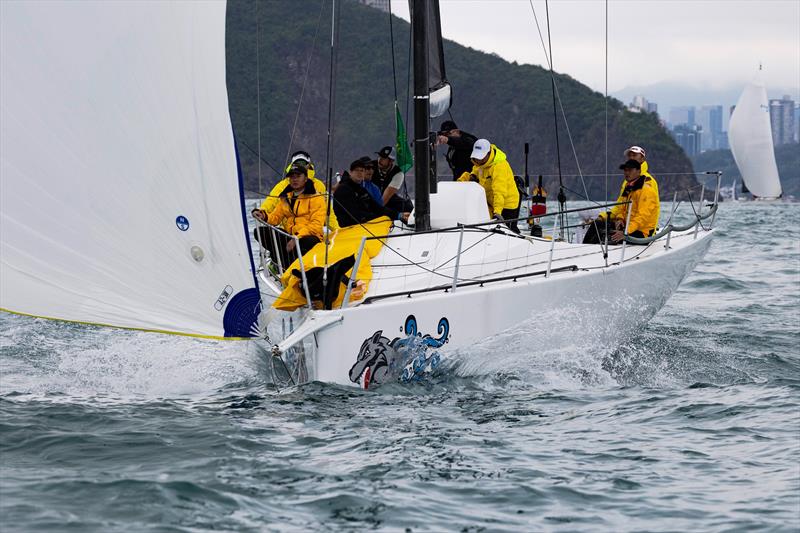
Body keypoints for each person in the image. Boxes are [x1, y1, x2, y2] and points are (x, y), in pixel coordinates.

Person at [251, 165, 326, 267]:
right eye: (292, 177)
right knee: (260, 232)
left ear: (305, 178)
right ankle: (281, 261)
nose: (294, 179)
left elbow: (316, 225)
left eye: (298, 176)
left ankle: (288, 264)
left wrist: (297, 238)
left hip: (309, 237)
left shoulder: (316, 197)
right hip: (290, 236)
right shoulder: (286, 196)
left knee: (306, 242)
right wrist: (263, 215)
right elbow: (276, 218)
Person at [582, 159, 660, 244]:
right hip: (627, 227)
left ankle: (593, 251)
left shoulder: (646, 191)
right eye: (625, 170)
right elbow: (621, 209)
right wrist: (620, 219)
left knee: (609, 237)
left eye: (630, 170)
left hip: (643, 233)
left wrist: (625, 232)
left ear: (638, 171)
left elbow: (642, 217)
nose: (627, 173)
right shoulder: (629, 188)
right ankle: (583, 249)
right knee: (597, 224)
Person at [258, 150, 339, 231]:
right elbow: (271, 200)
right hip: (289, 231)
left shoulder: (319, 185)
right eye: (297, 164)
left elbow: (328, 212)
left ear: (308, 165)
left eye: (303, 163)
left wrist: (336, 230)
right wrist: (261, 212)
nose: (300, 166)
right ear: (292, 165)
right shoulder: (283, 186)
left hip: (310, 232)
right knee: (261, 231)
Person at [457, 138, 521, 233]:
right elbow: (473, 173)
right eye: (476, 157)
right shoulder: (479, 165)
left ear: (488, 153)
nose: (478, 160)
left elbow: (499, 191)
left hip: (507, 204)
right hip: (490, 202)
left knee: (508, 231)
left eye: (481, 157)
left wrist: (498, 212)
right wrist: (463, 181)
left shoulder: (499, 166)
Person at [333, 158, 410, 228]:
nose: (360, 173)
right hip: (347, 230)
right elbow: (355, 215)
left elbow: (377, 207)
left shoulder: (361, 189)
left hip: (362, 226)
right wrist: (380, 218)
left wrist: (399, 215)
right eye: (357, 170)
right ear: (350, 172)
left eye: (362, 170)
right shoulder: (343, 189)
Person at [373, 146, 414, 212]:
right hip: (370, 197)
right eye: (380, 156)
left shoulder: (398, 174)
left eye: (384, 158)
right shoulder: (370, 166)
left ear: (391, 161)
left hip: (387, 199)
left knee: (408, 207)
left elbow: (387, 196)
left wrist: (376, 212)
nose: (380, 159)